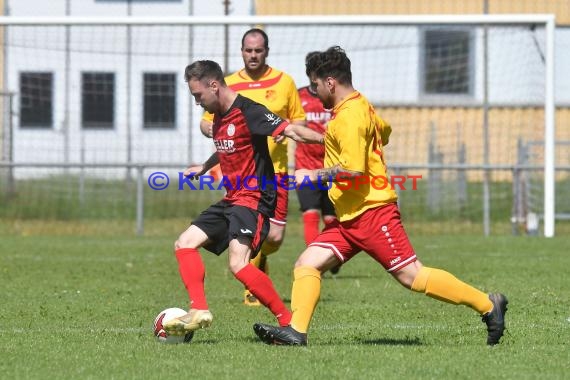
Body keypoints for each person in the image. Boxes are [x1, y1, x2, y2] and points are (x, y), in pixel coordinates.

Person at [252, 47, 508, 346]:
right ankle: (296, 332)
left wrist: (313, 175)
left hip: (372, 212)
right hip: (350, 216)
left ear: (330, 83)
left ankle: (489, 306)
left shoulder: (349, 116)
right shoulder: (361, 105)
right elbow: (383, 132)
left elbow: (354, 169)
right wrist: (315, 135)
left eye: (317, 85)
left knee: (412, 276)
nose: (316, 92)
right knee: (307, 263)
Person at [163, 60, 322, 337]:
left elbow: (292, 130)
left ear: (214, 85)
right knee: (184, 243)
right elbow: (227, 148)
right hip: (232, 198)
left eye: (198, 95)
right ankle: (199, 309)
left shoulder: (250, 111)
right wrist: (204, 166)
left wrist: (329, 139)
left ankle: (288, 323)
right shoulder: (219, 115)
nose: (197, 102)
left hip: (254, 198)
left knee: (238, 263)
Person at [201, 28, 306, 306]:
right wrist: (212, 128)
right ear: (241, 51)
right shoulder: (227, 83)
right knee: (250, 235)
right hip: (241, 174)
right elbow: (205, 120)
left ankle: (260, 258)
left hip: (276, 172)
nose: (253, 55)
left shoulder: (284, 82)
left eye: (258, 50)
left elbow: (299, 121)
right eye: (248, 50)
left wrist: (284, 131)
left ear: (266, 51)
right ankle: (251, 280)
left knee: (275, 237)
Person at [295, 52, 339, 274]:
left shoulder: (332, 97)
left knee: (331, 217)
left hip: (331, 167)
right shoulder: (298, 96)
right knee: (310, 213)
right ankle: (315, 262)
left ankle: (330, 255)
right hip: (304, 166)